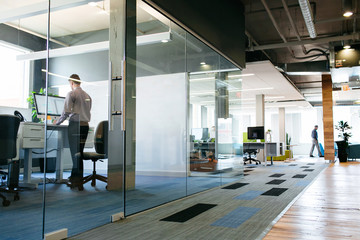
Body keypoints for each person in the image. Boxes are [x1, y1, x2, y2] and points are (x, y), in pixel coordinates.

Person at [56, 74, 92, 190]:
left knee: (75, 154)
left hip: (75, 126)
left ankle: (77, 180)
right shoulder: (88, 96)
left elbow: (66, 111)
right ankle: (75, 178)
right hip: (85, 126)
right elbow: (87, 111)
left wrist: (58, 122)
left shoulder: (71, 94)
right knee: (79, 153)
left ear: (71, 83)